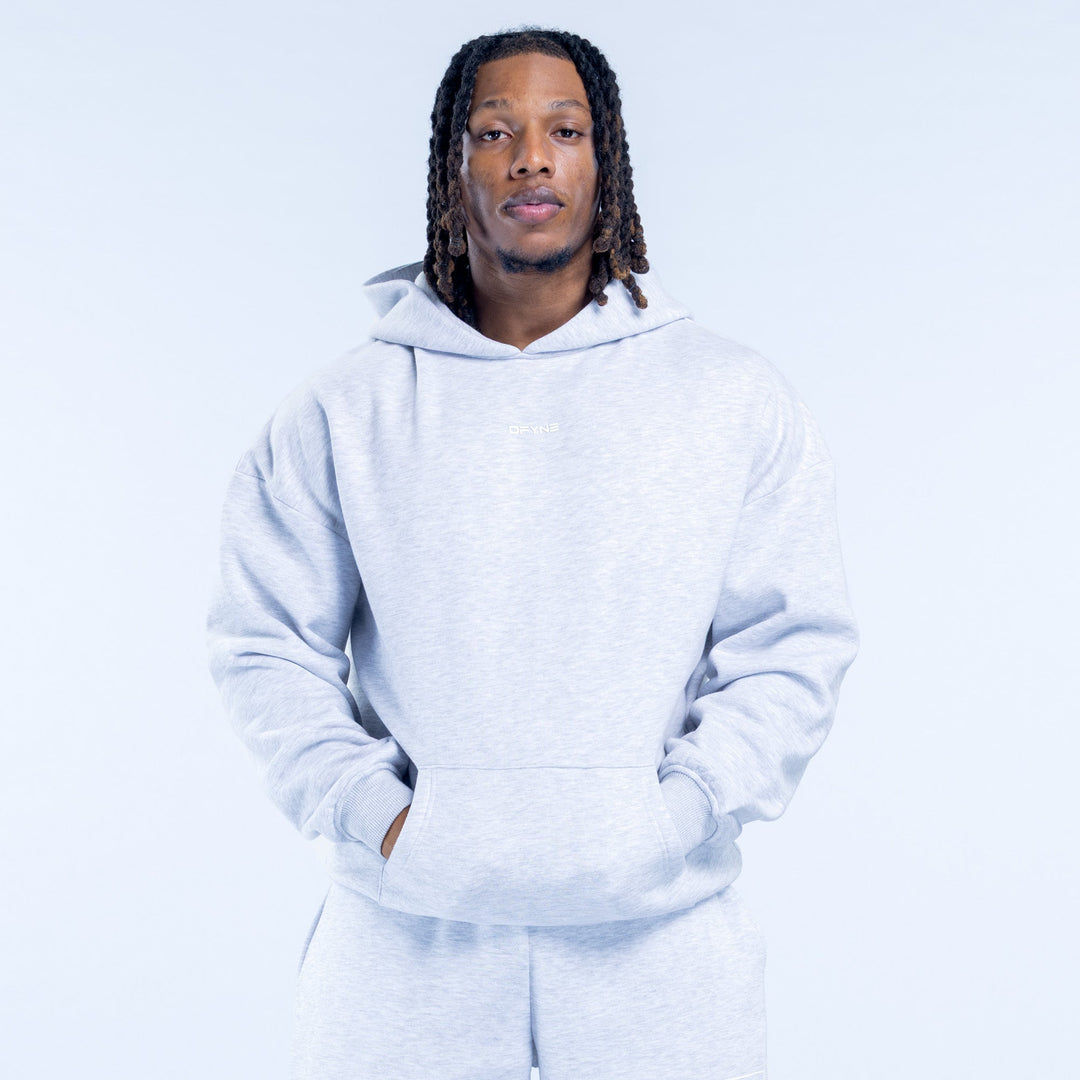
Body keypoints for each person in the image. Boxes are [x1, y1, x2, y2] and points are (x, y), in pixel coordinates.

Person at [206, 25, 859, 1080]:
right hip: (402, 948)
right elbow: (265, 646)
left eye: (565, 130)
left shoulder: (729, 396)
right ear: (451, 165)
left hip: (663, 947)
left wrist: (680, 813)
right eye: (493, 132)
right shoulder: (344, 411)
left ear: (607, 162)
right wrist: (383, 820)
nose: (529, 159)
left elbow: (792, 644)